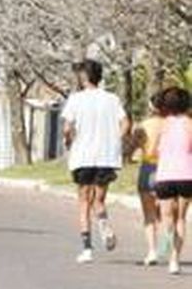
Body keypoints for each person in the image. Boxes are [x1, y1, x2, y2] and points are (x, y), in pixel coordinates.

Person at [61, 59, 128, 264]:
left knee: (83, 202)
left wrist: (68, 139)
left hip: (83, 156)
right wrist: (116, 140)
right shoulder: (112, 99)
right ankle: (105, 225)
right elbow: (125, 122)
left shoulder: (76, 99)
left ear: (84, 77)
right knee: (99, 199)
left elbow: (67, 128)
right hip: (106, 156)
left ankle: (87, 248)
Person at [151, 86, 192, 275]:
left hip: (165, 175)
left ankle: (167, 246)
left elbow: (153, 150)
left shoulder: (162, 124)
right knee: (181, 218)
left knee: (168, 217)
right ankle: (175, 259)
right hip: (186, 174)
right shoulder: (190, 124)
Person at [131, 90, 168, 265]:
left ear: (151, 106)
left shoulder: (143, 125)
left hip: (148, 167)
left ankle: (152, 251)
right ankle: (167, 246)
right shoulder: (172, 125)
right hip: (169, 169)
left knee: (149, 214)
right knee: (170, 213)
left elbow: (133, 146)